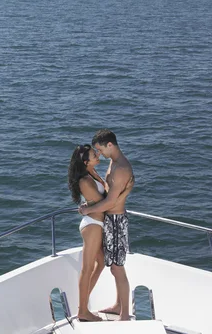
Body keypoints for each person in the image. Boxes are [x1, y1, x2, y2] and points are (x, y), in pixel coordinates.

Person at [79, 129, 134, 321]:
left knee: (117, 268)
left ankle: (125, 315)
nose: (99, 153)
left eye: (99, 149)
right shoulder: (114, 162)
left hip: (117, 221)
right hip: (110, 221)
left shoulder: (121, 169)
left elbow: (111, 202)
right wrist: (92, 204)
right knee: (114, 266)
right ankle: (119, 305)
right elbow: (108, 195)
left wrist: (87, 210)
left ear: (109, 145)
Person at [68, 144, 107, 322]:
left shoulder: (92, 173)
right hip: (93, 225)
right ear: (85, 161)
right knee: (87, 268)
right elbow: (103, 204)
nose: (97, 154)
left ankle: (82, 305)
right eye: (93, 154)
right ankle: (83, 311)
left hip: (96, 223)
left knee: (101, 263)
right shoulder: (85, 180)